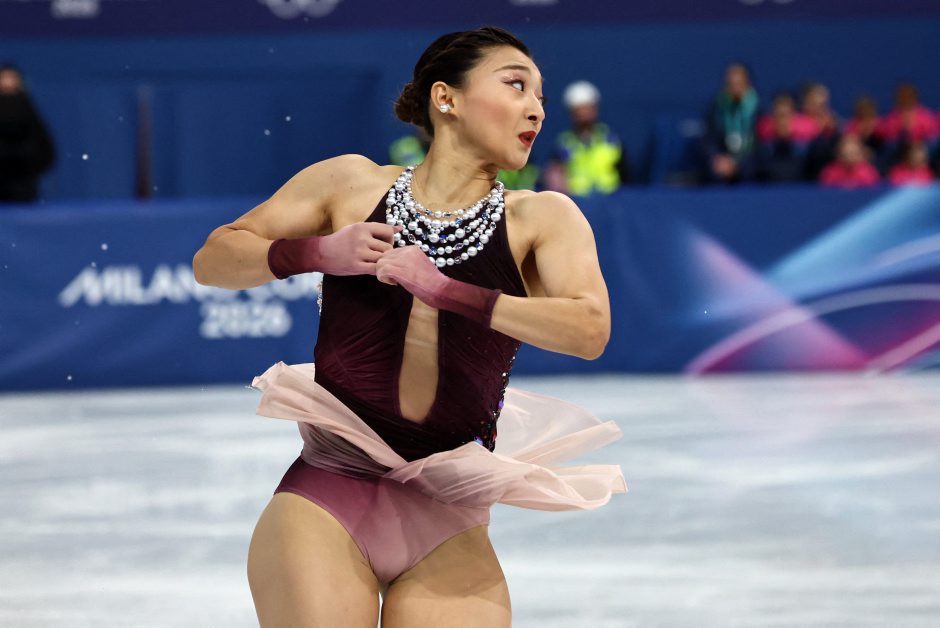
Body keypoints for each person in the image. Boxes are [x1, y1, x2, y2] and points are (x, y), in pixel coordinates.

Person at [192, 27, 624, 627]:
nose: (537, 109)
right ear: (446, 98)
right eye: (516, 85)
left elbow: (589, 329)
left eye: (541, 98)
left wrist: (451, 291)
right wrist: (315, 252)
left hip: (449, 522)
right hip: (329, 494)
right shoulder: (350, 184)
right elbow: (213, 260)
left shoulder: (541, 217)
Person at [544, 80, 629, 195]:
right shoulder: (563, 143)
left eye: (586, 108)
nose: (582, 113)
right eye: (578, 109)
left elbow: (627, 174)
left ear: (595, 109)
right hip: (576, 200)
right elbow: (554, 175)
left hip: (611, 200)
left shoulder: (611, 140)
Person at [0, 64, 56, 203]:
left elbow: (45, 149)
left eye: (11, 79)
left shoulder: (27, 109)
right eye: (4, 79)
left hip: (24, 187)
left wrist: (27, 164)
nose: (8, 84)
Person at [701, 63, 759, 184]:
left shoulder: (759, 110)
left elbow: (761, 146)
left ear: (748, 84)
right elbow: (709, 140)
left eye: (739, 84)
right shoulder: (716, 108)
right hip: (721, 168)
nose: (735, 89)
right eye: (731, 84)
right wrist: (717, 158)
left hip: (750, 169)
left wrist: (738, 165)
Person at [755, 92, 811, 183]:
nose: (783, 122)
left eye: (786, 115)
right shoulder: (763, 150)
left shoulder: (807, 148)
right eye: (779, 116)